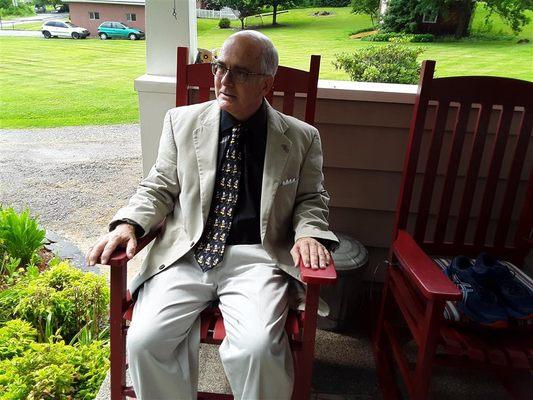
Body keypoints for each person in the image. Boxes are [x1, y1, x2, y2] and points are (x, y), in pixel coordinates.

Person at [87, 31, 338, 400]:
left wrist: (308, 234)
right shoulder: (181, 122)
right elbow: (159, 185)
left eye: (240, 72)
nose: (223, 79)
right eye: (219, 67)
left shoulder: (301, 138)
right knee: (144, 341)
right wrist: (129, 223)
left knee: (256, 348)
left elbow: (310, 199)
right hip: (186, 253)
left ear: (267, 83)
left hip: (257, 258)